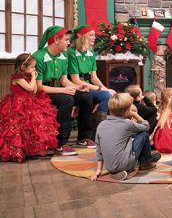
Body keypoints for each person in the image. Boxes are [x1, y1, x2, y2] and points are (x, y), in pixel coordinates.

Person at [33, 26, 95, 156]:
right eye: (66, 40)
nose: (69, 42)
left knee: (86, 96)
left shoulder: (64, 56)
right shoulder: (39, 57)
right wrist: (65, 90)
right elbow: (39, 87)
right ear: (56, 39)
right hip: (42, 93)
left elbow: (64, 80)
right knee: (67, 99)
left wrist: (77, 87)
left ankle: (83, 138)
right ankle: (61, 143)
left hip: (57, 89)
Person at [0, 53, 59, 163]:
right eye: (32, 67)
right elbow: (30, 88)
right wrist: (33, 77)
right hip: (18, 104)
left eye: (34, 67)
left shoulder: (27, 77)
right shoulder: (17, 78)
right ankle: (18, 150)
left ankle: (34, 150)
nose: (34, 69)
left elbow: (35, 90)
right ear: (23, 67)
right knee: (19, 128)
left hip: (30, 102)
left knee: (35, 125)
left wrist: (33, 78)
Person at [90, 93, 161, 181]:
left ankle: (118, 171)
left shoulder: (101, 125)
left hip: (109, 167)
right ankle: (146, 162)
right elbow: (146, 126)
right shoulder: (127, 124)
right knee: (144, 135)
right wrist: (135, 114)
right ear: (127, 111)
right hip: (125, 163)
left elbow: (99, 149)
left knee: (129, 140)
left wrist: (98, 170)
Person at [68, 25, 115, 137]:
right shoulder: (71, 53)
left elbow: (94, 78)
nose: (94, 38)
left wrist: (106, 88)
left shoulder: (90, 52)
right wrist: (100, 89)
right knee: (105, 96)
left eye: (94, 35)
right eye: (91, 35)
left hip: (89, 86)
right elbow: (76, 80)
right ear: (81, 36)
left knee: (108, 94)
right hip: (76, 87)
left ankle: (98, 130)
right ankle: (96, 134)